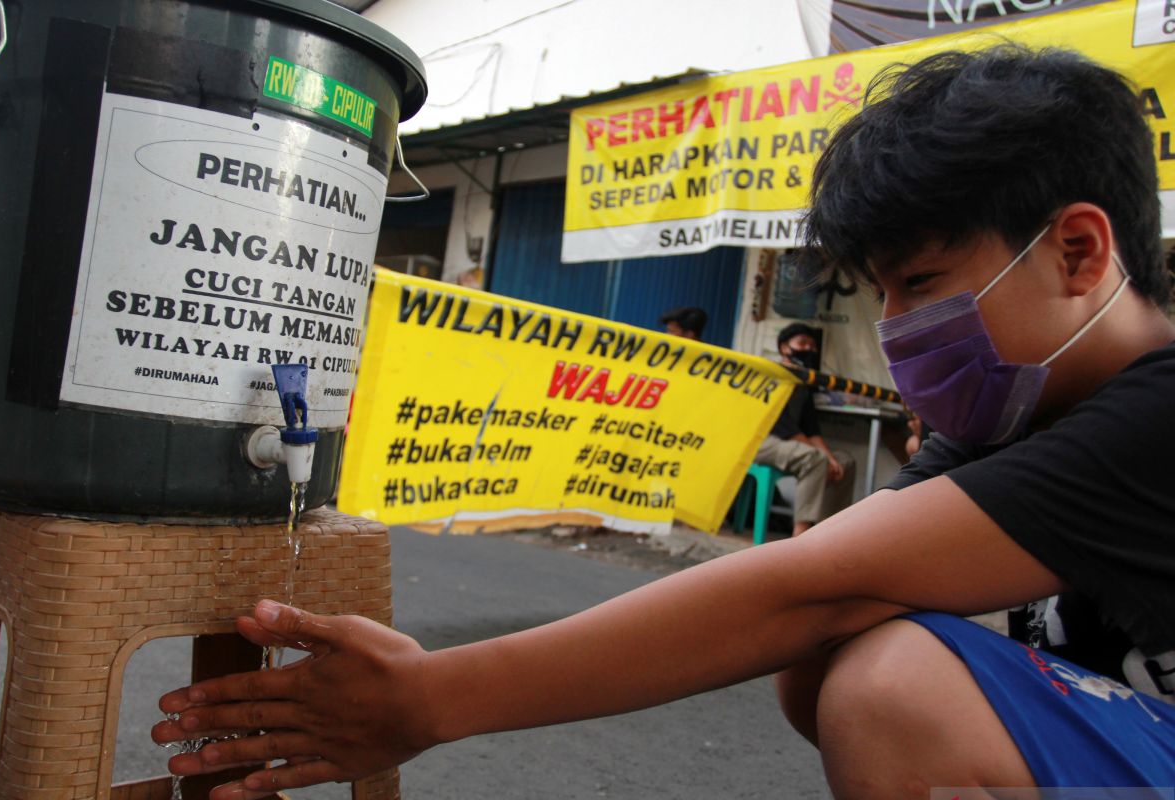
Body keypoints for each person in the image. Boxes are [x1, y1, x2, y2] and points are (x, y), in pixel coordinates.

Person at [153, 45, 1175, 798]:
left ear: (1079, 252)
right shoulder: (1012, 415)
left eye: (922, 283)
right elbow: (813, 602)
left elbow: (821, 579)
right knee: (837, 651)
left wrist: (432, 698)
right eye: (882, 297)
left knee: (895, 681)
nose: (900, 332)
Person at [753, 322, 857, 536]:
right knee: (814, 458)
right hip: (761, 441)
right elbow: (784, 427)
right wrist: (822, 456)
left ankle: (827, 532)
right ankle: (801, 535)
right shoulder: (772, 375)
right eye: (802, 343)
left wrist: (831, 457)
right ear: (784, 348)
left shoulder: (804, 381)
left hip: (791, 442)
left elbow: (811, 428)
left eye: (812, 345)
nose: (809, 349)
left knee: (844, 462)